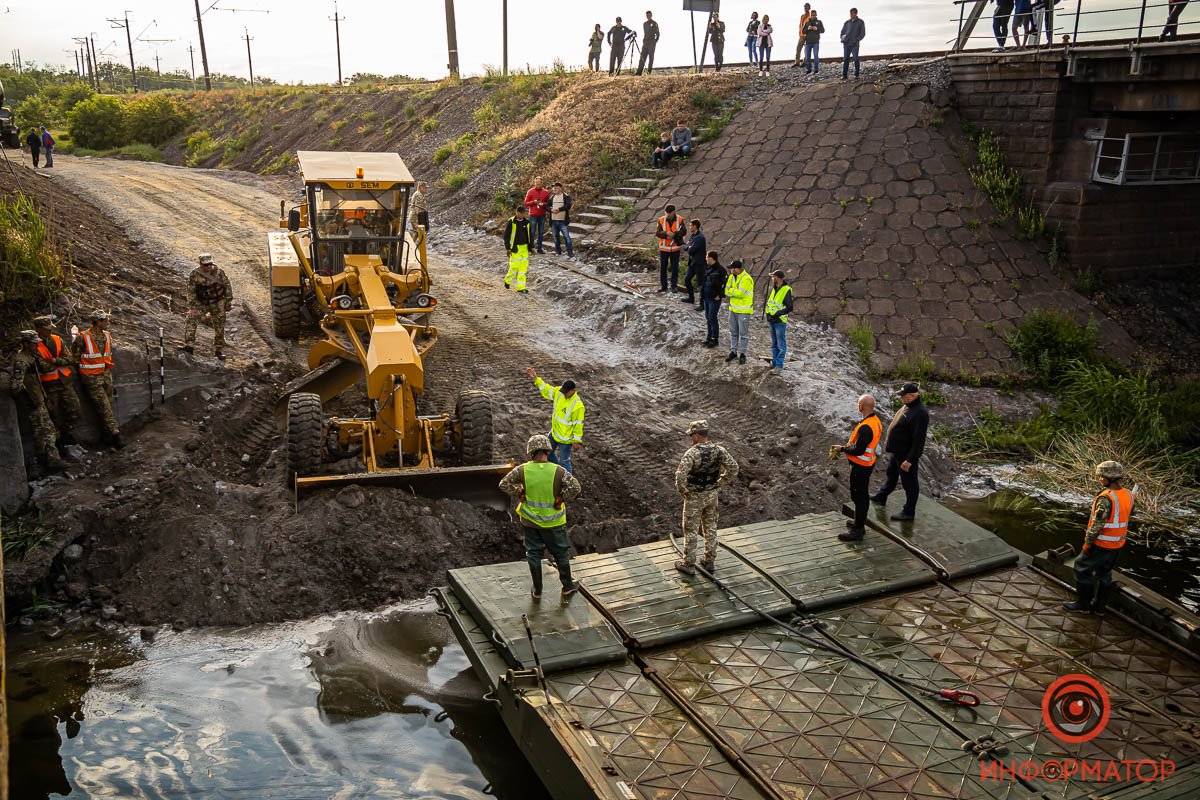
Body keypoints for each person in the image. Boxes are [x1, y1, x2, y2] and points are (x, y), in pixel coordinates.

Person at [499, 434, 582, 600]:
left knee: (534, 554)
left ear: (531, 452)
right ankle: (567, 586)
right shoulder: (558, 470)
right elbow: (576, 487)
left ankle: (537, 591)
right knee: (560, 554)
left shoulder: (522, 470)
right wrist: (561, 498)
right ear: (547, 451)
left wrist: (519, 492)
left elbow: (503, 484)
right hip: (554, 523)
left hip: (530, 522)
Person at [1064, 461, 1134, 615]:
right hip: (1117, 544)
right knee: (1105, 573)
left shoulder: (1106, 498)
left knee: (1082, 569)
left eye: (1101, 476)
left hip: (1101, 543)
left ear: (1109, 478)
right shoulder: (1128, 494)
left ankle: (1083, 605)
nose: (1100, 479)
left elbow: (1097, 524)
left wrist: (1087, 543)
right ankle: (1099, 608)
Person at [674, 420, 739, 576]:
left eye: (691, 435)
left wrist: (683, 491)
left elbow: (680, 476)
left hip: (695, 496)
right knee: (710, 528)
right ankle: (709, 561)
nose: (691, 437)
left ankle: (688, 563)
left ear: (696, 435)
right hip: (711, 494)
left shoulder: (692, 453)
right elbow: (734, 468)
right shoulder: (720, 451)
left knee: (691, 530)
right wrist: (719, 483)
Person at [870, 383, 928, 520]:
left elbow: (919, 440)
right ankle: (881, 497)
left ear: (913, 396)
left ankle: (909, 512)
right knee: (891, 475)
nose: (901, 398)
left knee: (910, 484)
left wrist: (910, 460)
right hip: (897, 452)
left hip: (906, 455)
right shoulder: (909, 406)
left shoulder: (920, 413)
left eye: (904, 396)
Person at [10, 331, 67, 471]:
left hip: (38, 398)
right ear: (26, 344)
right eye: (34, 342)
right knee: (42, 432)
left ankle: (51, 459)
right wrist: (25, 399)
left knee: (47, 431)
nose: (37, 344)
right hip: (32, 401)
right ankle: (44, 461)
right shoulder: (22, 361)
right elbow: (15, 386)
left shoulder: (31, 356)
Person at [70, 310, 123, 449]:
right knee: (103, 406)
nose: (107, 323)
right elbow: (75, 356)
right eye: (105, 320)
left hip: (105, 376)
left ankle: (106, 437)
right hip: (91, 377)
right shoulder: (83, 337)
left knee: (108, 405)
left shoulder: (107, 335)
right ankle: (115, 435)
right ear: (97, 322)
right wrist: (83, 372)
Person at [835, 394, 882, 542]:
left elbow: (859, 450)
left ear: (860, 406)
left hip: (860, 466)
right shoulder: (875, 421)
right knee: (861, 496)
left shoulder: (866, 427)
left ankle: (858, 530)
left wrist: (842, 449)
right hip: (867, 464)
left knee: (859, 497)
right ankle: (858, 523)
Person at [32, 314, 80, 446]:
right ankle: (58, 443)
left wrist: (55, 361)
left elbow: (71, 359)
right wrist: (61, 362)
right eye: (47, 328)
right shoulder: (33, 345)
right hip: (49, 386)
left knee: (75, 410)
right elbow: (43, 367)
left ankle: (67, 435)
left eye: (50, 327)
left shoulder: (57, 339)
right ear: (38, 329)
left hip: (65, 382)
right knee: (53, 416)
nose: (50, 330)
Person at [526, 367, 585, 474]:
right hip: (554, 433)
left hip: (566, 440)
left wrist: (577, 442)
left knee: (565, 462)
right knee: (546, 452)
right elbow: (546, 389)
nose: (563, 393)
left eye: (566, 392)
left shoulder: (577, 405)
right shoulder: (559, 393)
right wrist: (536, 378)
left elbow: (578, 425)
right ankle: (556, 471)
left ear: (572, 391)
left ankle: (568, 483)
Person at [182, 253, 233, 360]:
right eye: (206, 265)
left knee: (219, 325)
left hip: (218, 302)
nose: (208, 267)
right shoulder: (195, 274)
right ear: (200, 264)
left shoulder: (219, 273)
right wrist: (193, 307)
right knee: (191, 319)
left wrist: (228, 302)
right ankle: (189, 345)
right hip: (202, 303)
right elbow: (191, 291)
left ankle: (218, 350)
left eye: (210, 264)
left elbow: (227, 286)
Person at [724, 260, 754, 364]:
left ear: (737, 269)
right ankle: (733, 351)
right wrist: (732, 291)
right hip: (733, 309)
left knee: (743, 334)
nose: (730, 270)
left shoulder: (746, 278)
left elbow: (741, 293)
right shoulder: (732, 277)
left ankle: (742, 354)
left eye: (732, 268)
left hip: (743, 311)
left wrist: (732, 291)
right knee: (733, 332)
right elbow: (726, 290)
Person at [764, 270, 793, 370]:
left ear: (778, 278)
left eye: (773, 277)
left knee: (781, 344)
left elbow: (789, 307)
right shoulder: (775, 289)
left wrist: (777, 314)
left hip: (780, 321)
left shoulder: (786, 290)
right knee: (774, 344)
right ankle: (774, 362)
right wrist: (768, 314)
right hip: (772, 320)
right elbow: (771, 303)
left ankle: (779, 365)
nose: (772, 279)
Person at [656, 204, 686, 293]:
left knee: (675, 268)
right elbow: (657, 233)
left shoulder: (680, 219)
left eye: (670, 213)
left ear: (674, 212)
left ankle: (674, 286)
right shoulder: (661, 220)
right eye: (667, 213)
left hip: (675, 248)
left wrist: (675, 234)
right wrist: (666, 234)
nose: (668, 215)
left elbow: (684, 231)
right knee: (663, 268)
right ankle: (663, 286)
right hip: (664, 249)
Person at [701, 250, 727, 347]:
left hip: (714, 299)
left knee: (712, 318)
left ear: (711, 258)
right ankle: (709, 337)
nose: (706, 258)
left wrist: (720, 295)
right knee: (708, 318)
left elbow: (725, 285)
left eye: (707, 257)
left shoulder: (721, 270)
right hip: (706, 297)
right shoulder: (708, 268)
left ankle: (714, 339)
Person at [503, 205, 532, 293]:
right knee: (514, 267)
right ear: (517, 212)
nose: (523, 215)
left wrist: (532, 247)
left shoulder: (526, 223)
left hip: (524, 248)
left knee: (523, 268)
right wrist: (508, 248)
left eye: (525, 213)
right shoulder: (511, 222)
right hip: (515, 248)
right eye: (522, 213)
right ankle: (507, 280)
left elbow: (530, 235)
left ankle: (521, 287)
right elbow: (506, 235)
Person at [681, 219, 706, 305]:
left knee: (701, 283)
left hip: (699, 264)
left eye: (691, 225)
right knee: (687, 279)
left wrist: (686, 246)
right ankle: (691, 298)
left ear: (695, 226)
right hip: (692, 263)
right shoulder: (693, 236)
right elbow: (689, 246)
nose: (690, 227)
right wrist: (688, 246)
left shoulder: (700, 238)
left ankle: (702, 304)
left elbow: (691, 250)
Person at [523, 177, 550, 255]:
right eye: (536, 183)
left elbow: (549, 203)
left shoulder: (546, 192)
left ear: (542, 183)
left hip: (542, 215)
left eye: (539, 183)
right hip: (533, 215)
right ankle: (531, 248)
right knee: (531, 232)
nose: (538, 185)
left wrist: (543, 204)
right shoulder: (530, 191)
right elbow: (526, 203)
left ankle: (539, 248)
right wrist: (533, 202)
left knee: (541, 232)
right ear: (534, 183)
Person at [548, 182, 574, 258]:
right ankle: (558, 252)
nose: (554, 189)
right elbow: (547, 206)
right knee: (556, 237)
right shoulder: (551, 197)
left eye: (556, 188)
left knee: (567, 237)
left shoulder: (566, 196)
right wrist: (551, 209)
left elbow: (568, 206)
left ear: (560, 188)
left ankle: (570, 252)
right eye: (553, 188)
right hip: (553, 221)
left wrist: (559, 209)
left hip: (563, 221)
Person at [841, 8, 866, 80]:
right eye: (850, 13)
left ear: (856, 13)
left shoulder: (860, 22)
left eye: (852, 13)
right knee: (845, 59)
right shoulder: (847, 22)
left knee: (856, 59)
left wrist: (856, 40)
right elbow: (842, 32)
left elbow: (862, 33)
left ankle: (857, 75)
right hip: (846, 44)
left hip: (854, 45)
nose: (851, 15)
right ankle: (844, 75)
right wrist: (843, 39)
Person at [637, 10, 660, 75]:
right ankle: (639, 72)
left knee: (651, 58)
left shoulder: (654, 23)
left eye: (649, 15)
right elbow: (645, 33)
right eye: (647, 15)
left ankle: (649, 72)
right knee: (642, 57)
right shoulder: (645, 24)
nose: (648, 16)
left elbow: (658, 33)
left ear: (651, 15)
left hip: (652, 42)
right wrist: (644, 41)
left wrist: (655, 41)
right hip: (646, 42)